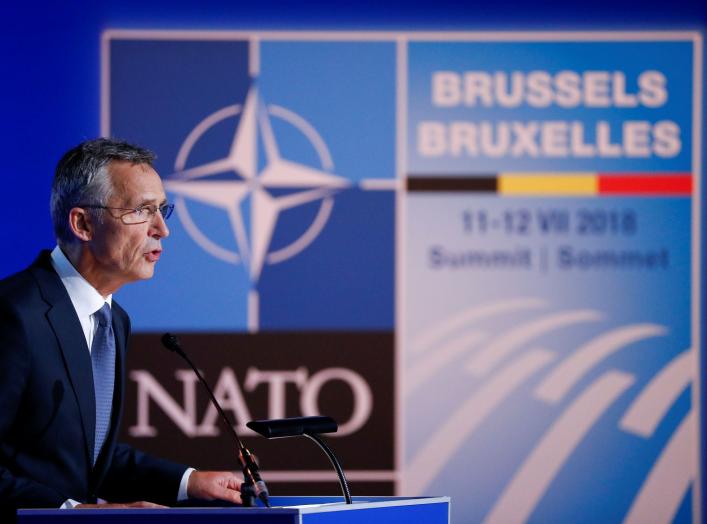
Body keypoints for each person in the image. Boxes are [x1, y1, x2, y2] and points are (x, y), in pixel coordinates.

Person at [0, 138, 243, 513]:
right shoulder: (13, 314)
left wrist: (189, 481)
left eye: (163, 210)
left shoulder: (114, 321)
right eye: (142, 211)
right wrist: (72, 512)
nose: (162, 229)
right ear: (82, 223)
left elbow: (88, 458)